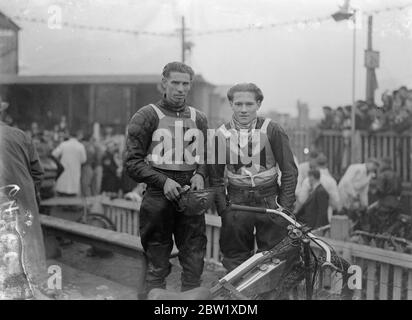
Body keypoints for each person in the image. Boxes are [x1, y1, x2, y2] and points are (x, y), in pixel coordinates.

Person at [124, 62, 208, 297]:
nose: (180, 89)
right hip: (158, 195)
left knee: (194, 260)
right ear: (164, 83)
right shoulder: (147, 115)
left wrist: (201, 173)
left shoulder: (199, 118)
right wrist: (163, 181)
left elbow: (206, 155)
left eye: (185, 84)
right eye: (175, 83)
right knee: (157, 263)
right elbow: (132, 162)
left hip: (189, 195)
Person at [210, 83, 298, 272]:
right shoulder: (221, 134)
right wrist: (223, 209)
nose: (243, 110)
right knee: (235, 260)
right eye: (238, 104)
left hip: (270, 198)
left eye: (249, 104)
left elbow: (289, 171)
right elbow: (215, 177)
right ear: (231, 104)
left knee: (275, 260)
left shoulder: (272, 129)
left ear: (258, 104)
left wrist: (285, 207)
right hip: (237, 200)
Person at [0, 94, 48, 299]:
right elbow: (38, 172)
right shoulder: (20, 135)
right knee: (27, 241)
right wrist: (29, 192)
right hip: (21, 197)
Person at [296, 154, 341, 220]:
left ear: (316, 164)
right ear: (327, 164)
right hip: (326, 217)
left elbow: (302, 200)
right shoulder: (331, 181)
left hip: (310, 217)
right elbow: (336, 202)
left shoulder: (307, 180)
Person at [52, 130, 87, 196]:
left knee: (62, 189)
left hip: (63, 169)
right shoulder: (80, 146)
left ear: (69, 136)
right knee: (73, 191)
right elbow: (84, 160)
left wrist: (58, 163)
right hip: (75, 170)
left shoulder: (64, 144)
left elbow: (54, 154)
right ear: (77, 136)